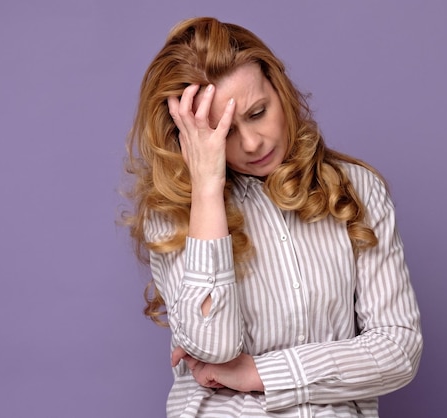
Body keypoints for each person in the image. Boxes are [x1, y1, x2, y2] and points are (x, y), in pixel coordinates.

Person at [125, 16, 423, 417]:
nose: (251, 143)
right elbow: (212, 345)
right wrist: (208, 188)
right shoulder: (175, 212)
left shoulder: (359, 190)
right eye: (223, 132)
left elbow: (398, 350)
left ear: (279, 90)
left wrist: (261, 373)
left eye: (258, 112)